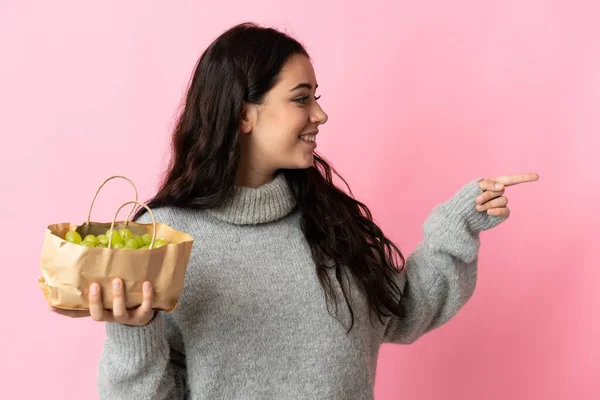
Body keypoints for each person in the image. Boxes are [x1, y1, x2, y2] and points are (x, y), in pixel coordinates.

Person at [51, 22, 539, 399]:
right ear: (244, 113)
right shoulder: (163, 239)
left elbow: (403, 311)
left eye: (316, 99)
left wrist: (456, 226)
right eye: (301, 99)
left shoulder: (328, 222)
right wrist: (133, 335)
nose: (320, 115)